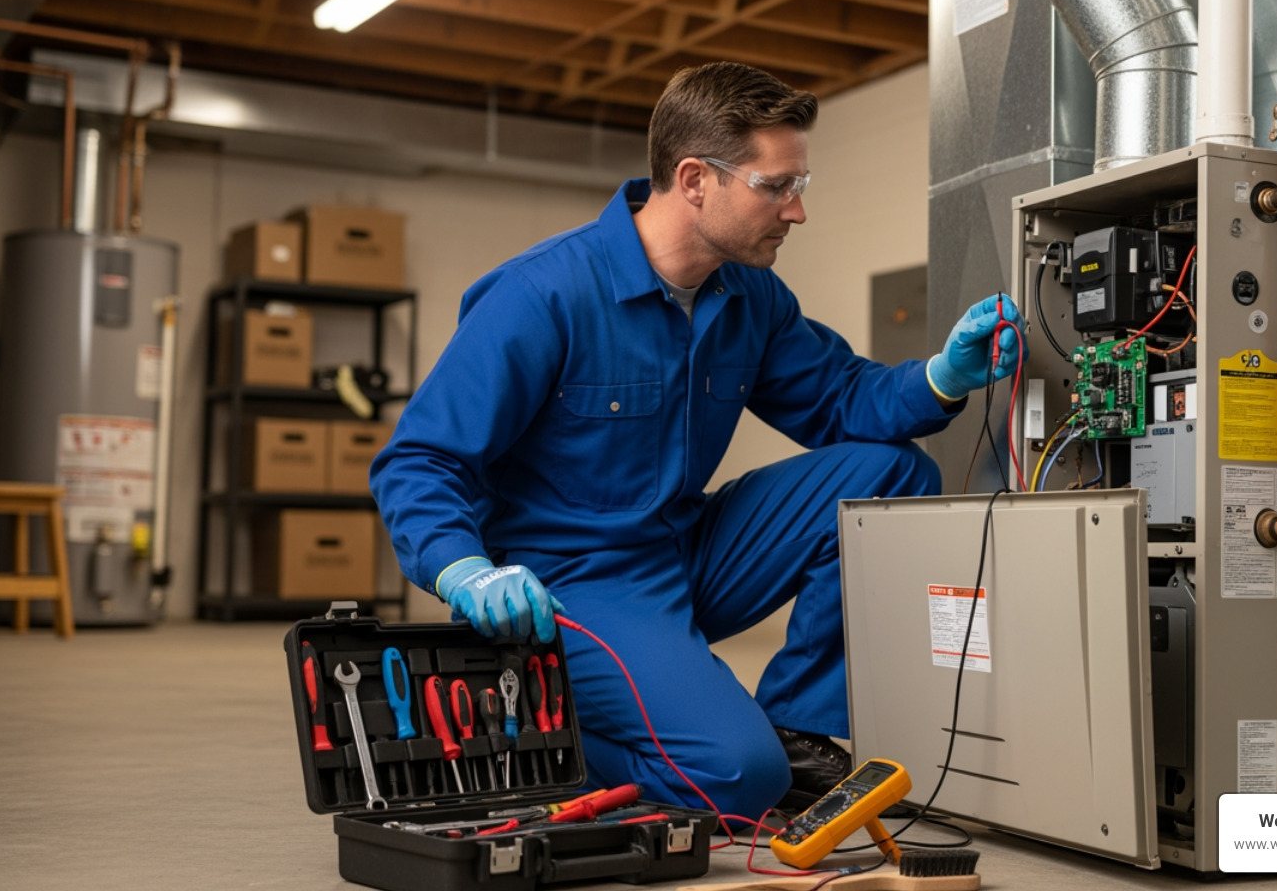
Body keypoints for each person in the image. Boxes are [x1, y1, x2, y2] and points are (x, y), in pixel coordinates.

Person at [370, 62, 1025, 818]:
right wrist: (464, 571)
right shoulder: (542, 295)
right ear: (693, 180)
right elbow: (421, 458)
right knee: (737, 777)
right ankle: (531, 731)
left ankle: (799, 730)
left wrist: (943, 375)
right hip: (568, 584)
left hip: (682, 548)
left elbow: (843, 399)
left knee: (889, 475)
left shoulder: (750, 297)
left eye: (798, 185)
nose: (796, 211)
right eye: (775, 186)